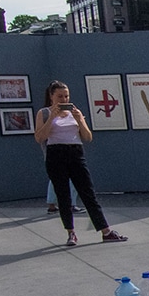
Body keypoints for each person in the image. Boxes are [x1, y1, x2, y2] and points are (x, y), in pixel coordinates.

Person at [34, 80, 127, 246]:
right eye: (60, 96)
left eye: (66, 96)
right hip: (56, 154)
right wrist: (52, 118)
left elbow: (88, 137)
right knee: (63, 195)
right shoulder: (45, 113)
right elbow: (40, 137)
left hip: (75, 152)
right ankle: (71, 232)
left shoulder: (74, 112)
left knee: (88, 193)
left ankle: (105, 231)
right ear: (51, 96)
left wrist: (80, 120)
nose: (64, 99)